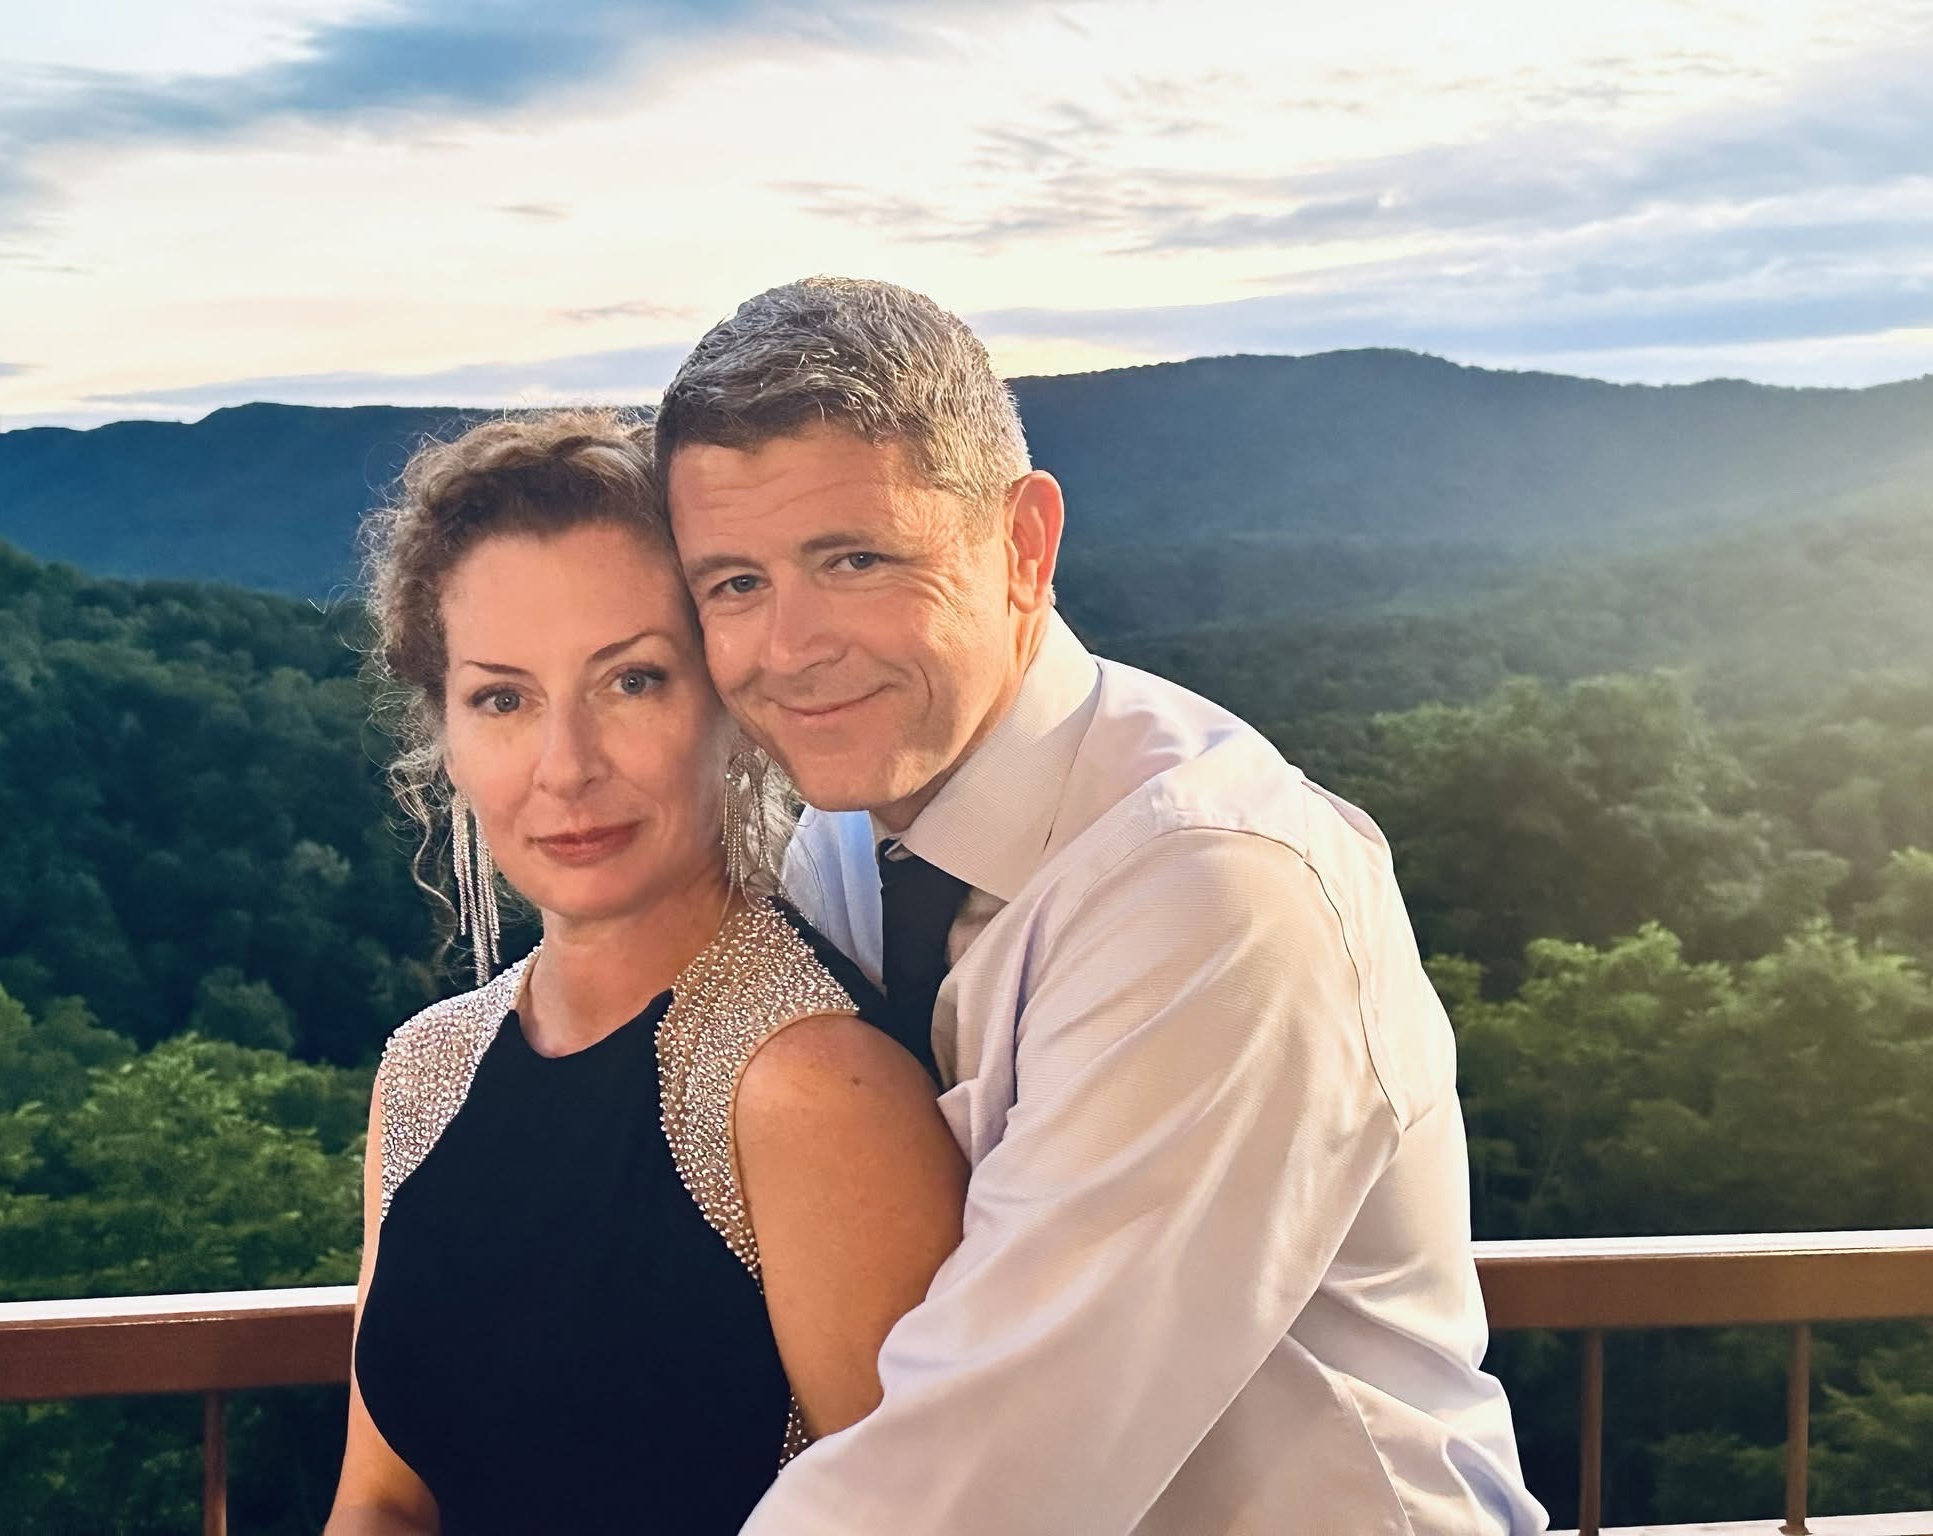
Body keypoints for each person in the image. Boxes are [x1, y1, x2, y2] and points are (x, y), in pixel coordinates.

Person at [657, 277, 1549, 1535]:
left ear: (1023, 546)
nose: (788, 648)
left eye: (854, 560)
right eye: (733, 584)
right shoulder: (841, 845)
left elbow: (983, 1477)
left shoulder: (1213, 891)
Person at [325, 409, 967, 1535]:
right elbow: (382, 1501)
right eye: (503, 698)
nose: (565, 766)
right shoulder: (426, 1073)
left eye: (631, 681)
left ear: (729, 703)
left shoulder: (810, 1089)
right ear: (445, 738)